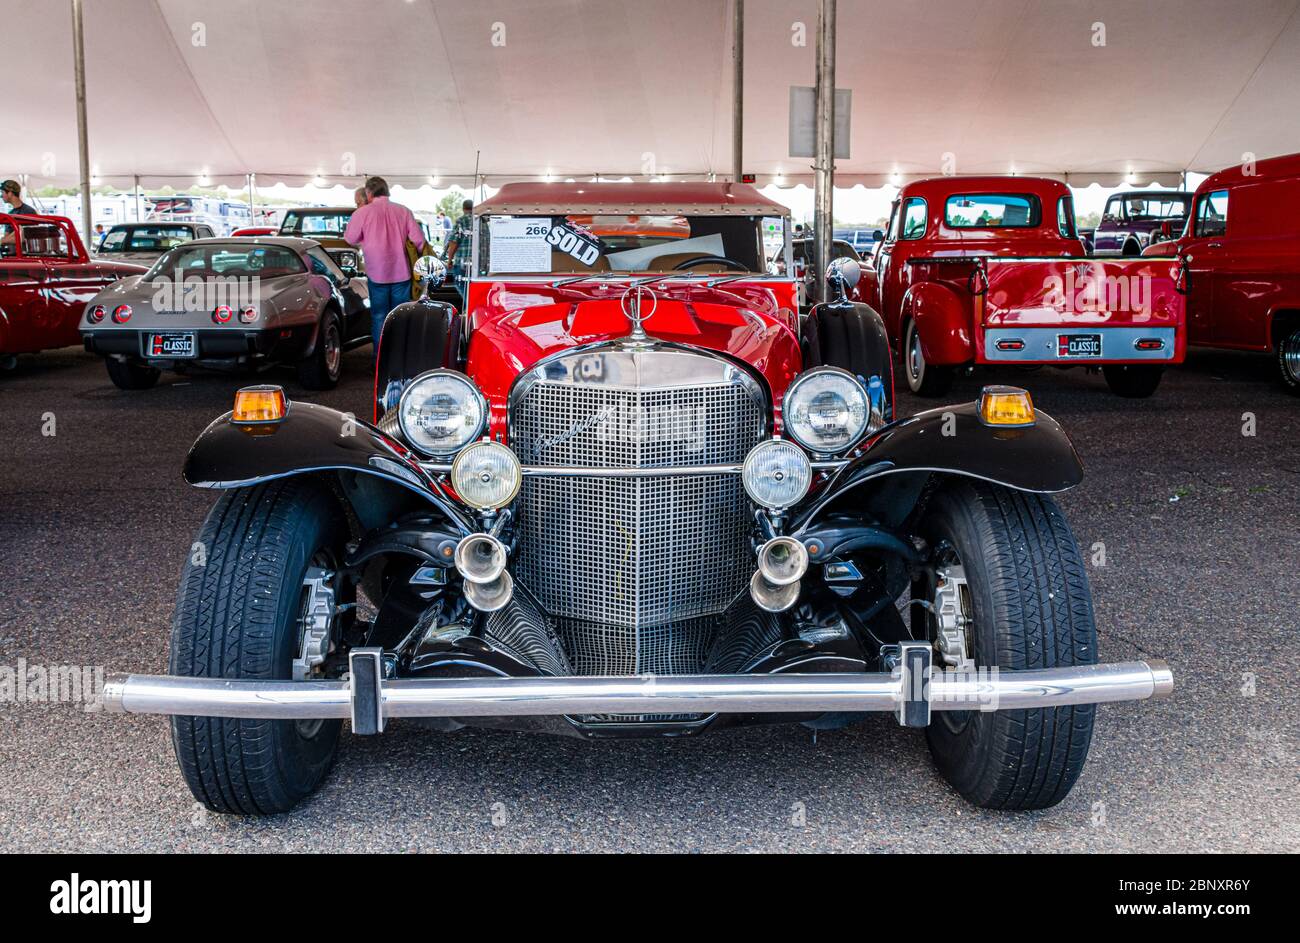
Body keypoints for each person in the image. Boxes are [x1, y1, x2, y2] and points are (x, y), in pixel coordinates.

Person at [343, 176, 425, 351]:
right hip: (402, 274)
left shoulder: (362, 213)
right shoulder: (403, 211)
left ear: (368, 192)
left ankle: (380, 362)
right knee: (400, 317)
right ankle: (400, 360)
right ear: (387, 191)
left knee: (379, 317)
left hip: (377, 275)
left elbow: (350, 238)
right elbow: (419, 240)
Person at [443, 199, 473, 306]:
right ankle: (470, 306)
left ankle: (469, 306)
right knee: (473, 289)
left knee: (462, 287)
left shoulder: (461, 220)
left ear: (463, 208)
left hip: (463, 263)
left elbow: (453, 242)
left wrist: (450, 260)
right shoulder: (481, 221)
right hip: (479, 266)